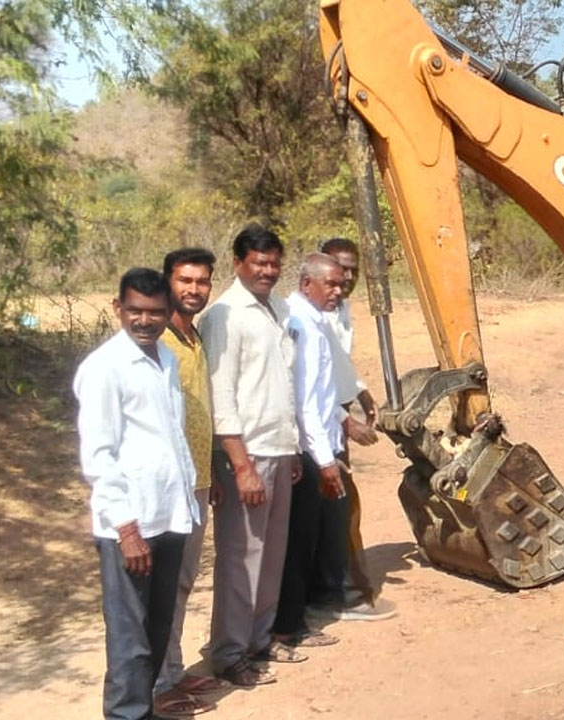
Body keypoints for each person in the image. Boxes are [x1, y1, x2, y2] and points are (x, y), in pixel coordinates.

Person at [75, 268, 199, 720]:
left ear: (168, 313)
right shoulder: (104, 369)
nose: (145, 321)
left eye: (155, 312)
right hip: (130, 526)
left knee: (157, 629)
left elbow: (171, 438)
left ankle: (142, 710)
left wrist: (187, 502)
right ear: (118, 309)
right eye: (135, 311)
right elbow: (99, 455)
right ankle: (126, 714)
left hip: (169, 516)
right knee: (130, 639)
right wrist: (126, 528)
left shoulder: (163, 357)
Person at [200, 224, 301, 686]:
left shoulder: (277, 308)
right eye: (259, 263)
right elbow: (222, 394)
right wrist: (240, 465)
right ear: (239, 263)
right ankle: (229, 652)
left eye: (274, 263)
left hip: (279, 448)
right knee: (242, 556)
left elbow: (282, 386)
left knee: (272, 553)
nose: (268, 271)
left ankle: (260, 640)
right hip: (247, 453)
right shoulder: (225, 314)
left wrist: (293, 445)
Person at [306, 237, 396, 622]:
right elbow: (311, 387)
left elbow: (340, 366)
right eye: (340, 270)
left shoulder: (341, 309)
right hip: (319, 422)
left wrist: (361, 391)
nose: (347, 278)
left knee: (336, 505)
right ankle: (336, 591)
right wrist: (346, 420)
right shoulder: (313, 316)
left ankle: (338, 585)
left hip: (333, 416)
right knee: (336, 505)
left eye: (353, 271)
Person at [154, 248, 226, 717]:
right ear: (168, 282)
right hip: (166, 486)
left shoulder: (193, 336)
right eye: (185, 280)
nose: (194, 289)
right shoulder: (157, 339)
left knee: (181, 584)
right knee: (161, 587)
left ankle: (173, 669)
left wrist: (212, 470)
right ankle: (157, 686)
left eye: (202, 281)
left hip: (198, 480)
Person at [274, 254, 353, 648]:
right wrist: (324, 461)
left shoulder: (317, 321)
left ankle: (300, 616)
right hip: (307, 450)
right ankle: (289, 626)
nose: (339, 291)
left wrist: (341, 419)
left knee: (313, 536)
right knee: (299, 541)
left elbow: (323, 395)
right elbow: (303, 400)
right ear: (308, 284)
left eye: (340, 284)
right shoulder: (299, 323)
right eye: (332, 285)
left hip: (320, 443)